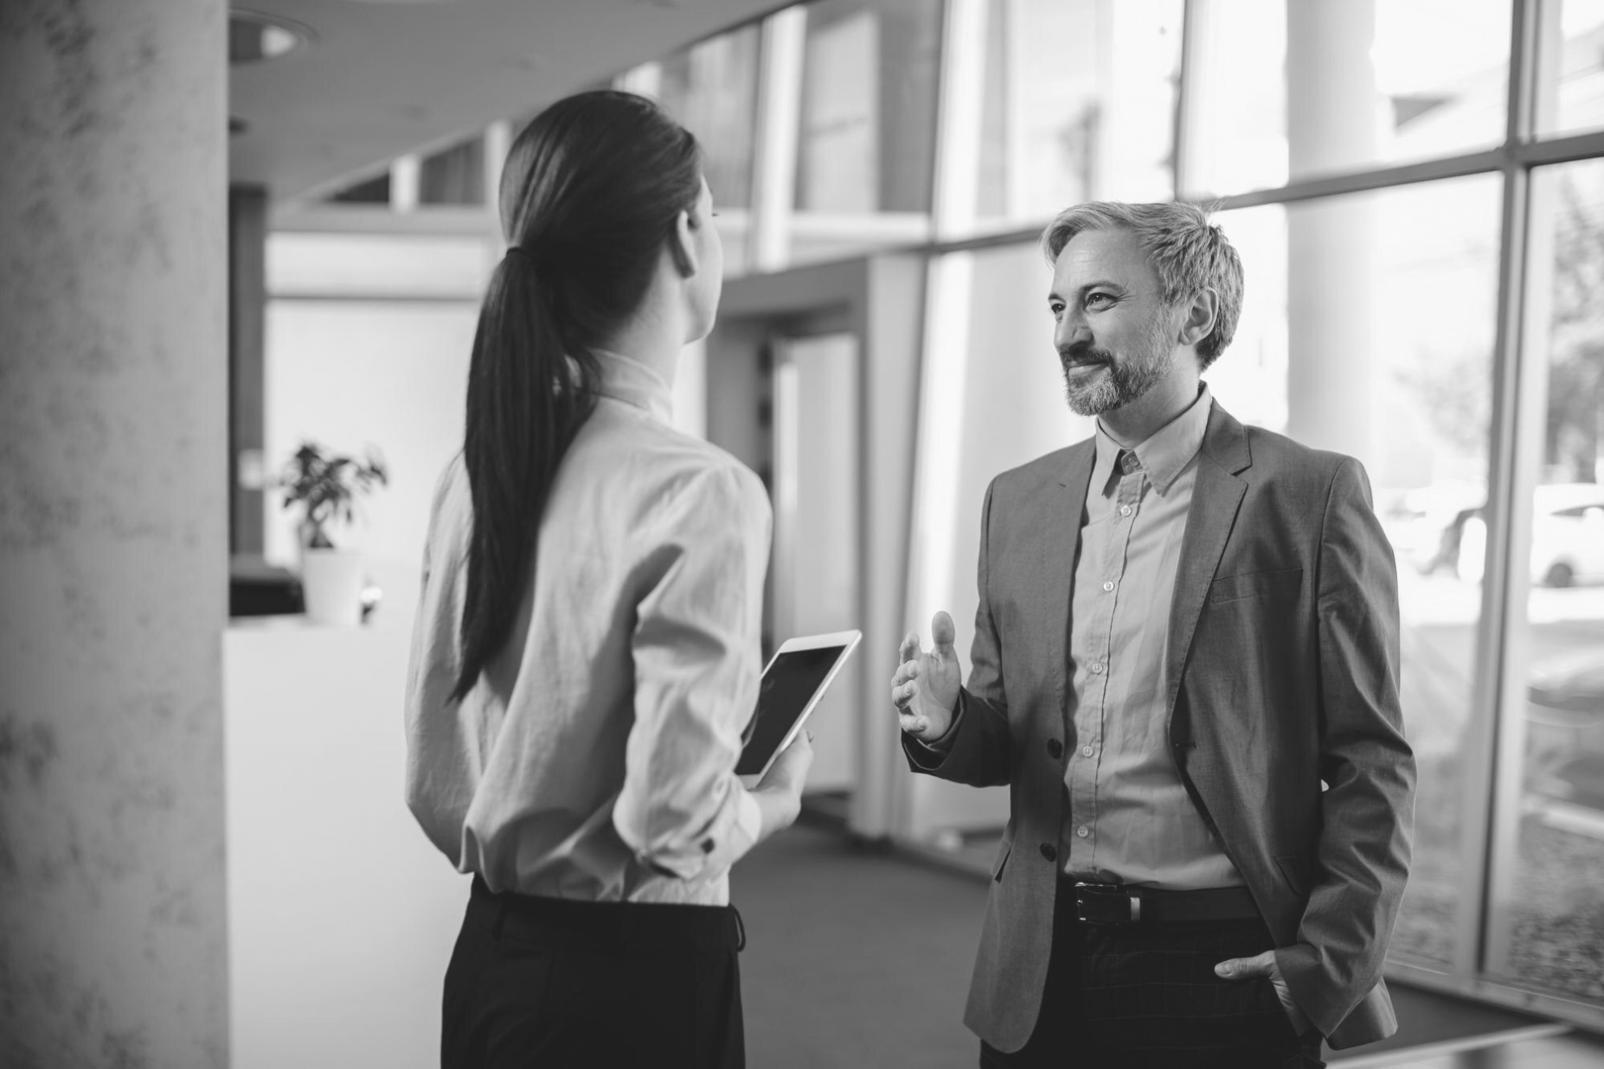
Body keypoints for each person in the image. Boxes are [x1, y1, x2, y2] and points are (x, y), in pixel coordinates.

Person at [891, 201, 1415, 1068]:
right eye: (1057, 307)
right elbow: (1007, 746)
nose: (1067, 333)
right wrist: (947, 721)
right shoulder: (1017, 501)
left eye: (1097, 300)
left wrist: (1324, 967)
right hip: (1039, 968)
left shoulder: (1307, 496)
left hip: (1219, 968)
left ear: (1194, 315)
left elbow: (1372, 760)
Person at [404, 90, 812, 1069]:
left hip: (494, 960)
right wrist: (772, 800)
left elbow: (433, 788)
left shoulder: (474, 469)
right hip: (630, 986)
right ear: (684, 232)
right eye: (713, 214)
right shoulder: (699, 490)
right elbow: (669, 822)